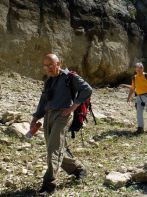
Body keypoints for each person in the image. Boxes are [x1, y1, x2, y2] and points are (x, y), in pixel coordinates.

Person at [30, 54, 92, 195]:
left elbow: (87, 90)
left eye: (51, 65)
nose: (48, 68)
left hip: (63, 116)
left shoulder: (70, 77)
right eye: (45, 66)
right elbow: (43, 101)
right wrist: (35, 118)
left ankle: (48, 185)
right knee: (55, 148)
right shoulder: (49, 81)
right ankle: (78, 169)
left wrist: (73, 107)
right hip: (49, 116)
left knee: (53, 149)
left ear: (58, 63)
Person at [127, 63, 147, 134]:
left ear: (142, 69)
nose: (139, 71)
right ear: (136, 70)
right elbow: (132, 88)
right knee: (139, 113)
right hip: (138, 97)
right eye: (137, 70)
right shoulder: (134, 78)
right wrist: (129, 97)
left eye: (140, 70)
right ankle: (140, 128)